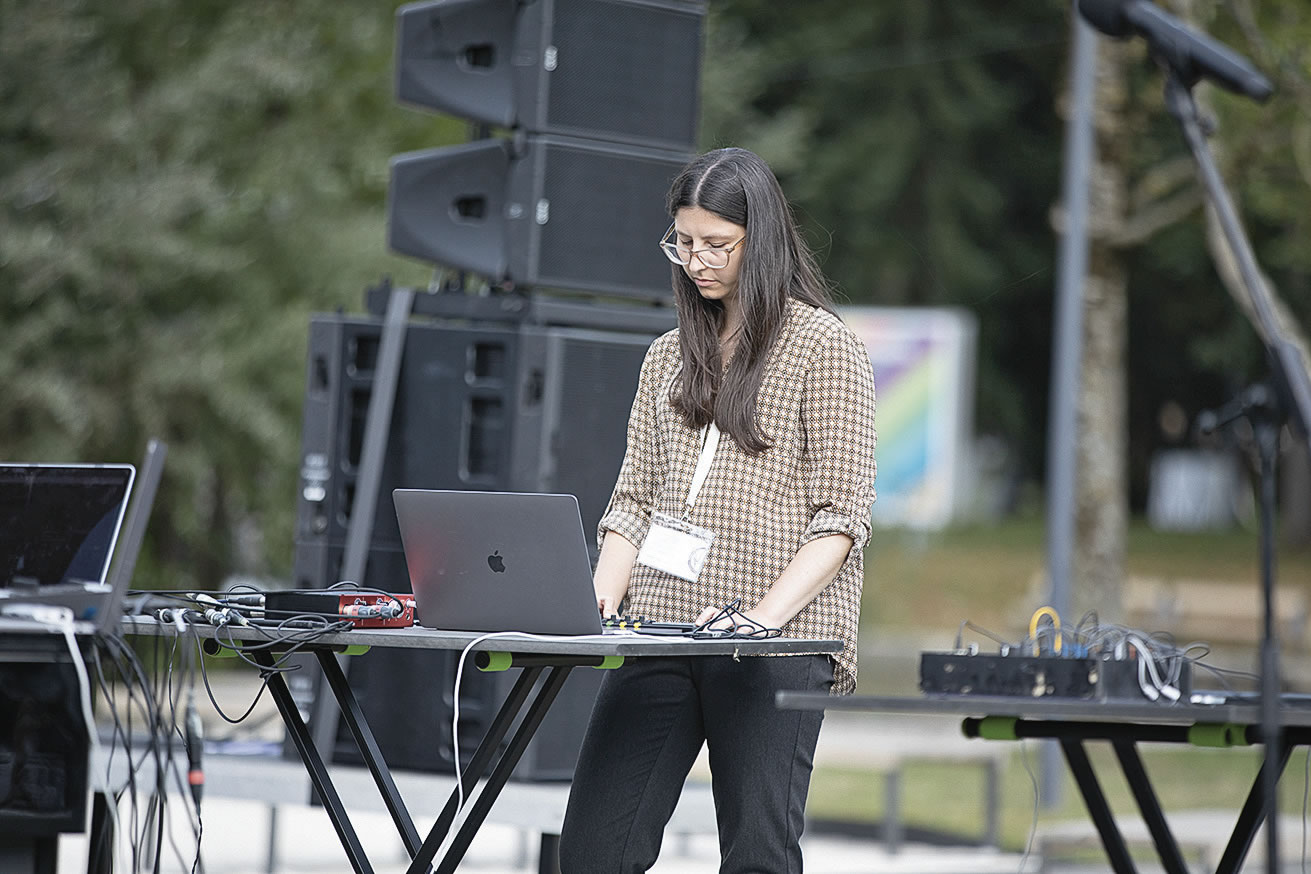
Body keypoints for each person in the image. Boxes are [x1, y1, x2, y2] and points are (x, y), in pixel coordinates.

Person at [558, 147, 877, 874]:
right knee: (591, 852)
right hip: (663, 633)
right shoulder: (667, 353)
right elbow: (633, 499)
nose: (694, 260)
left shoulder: (826, 348)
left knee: (757, 857)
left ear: (758, 241)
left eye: (715, 245)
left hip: (775, 645)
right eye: (683, 242)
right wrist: (600, 597)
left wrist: (762, 617)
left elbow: (842, 517)